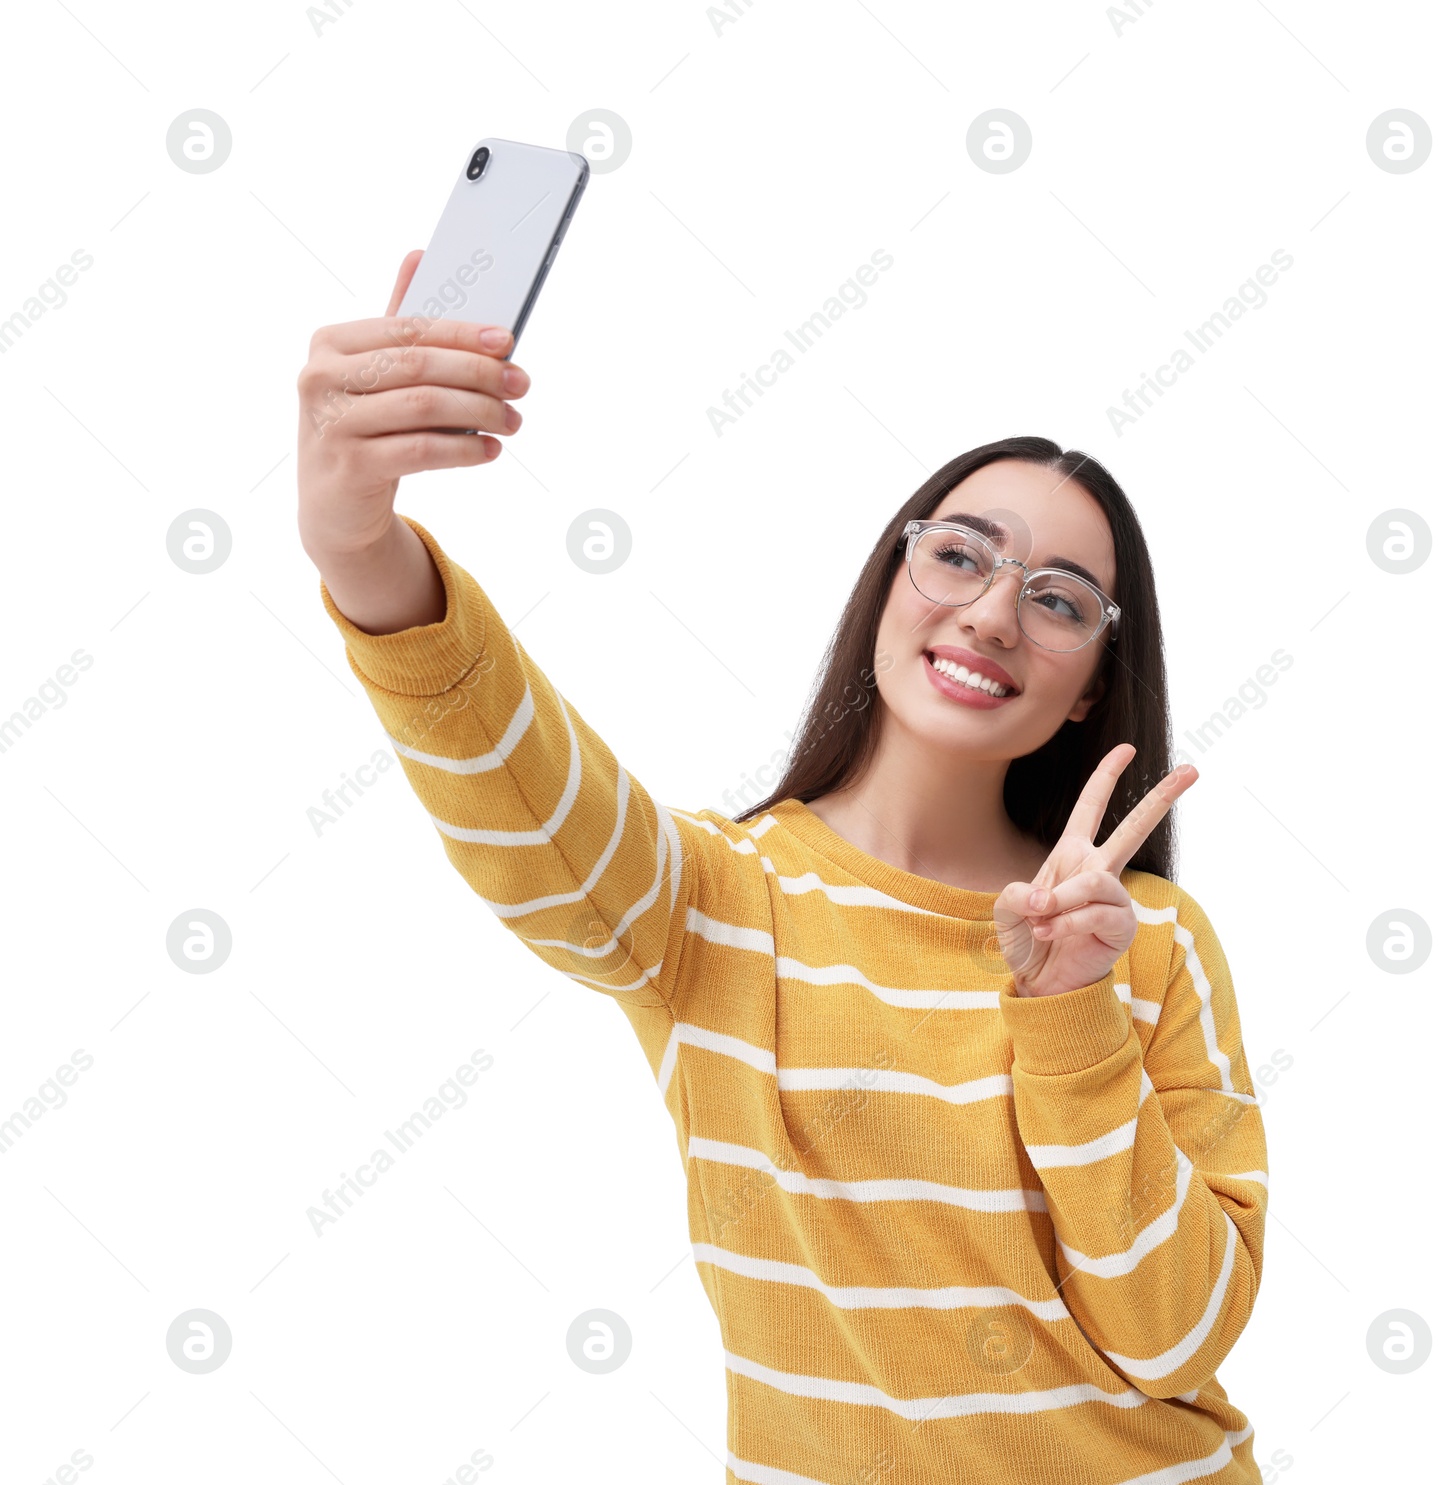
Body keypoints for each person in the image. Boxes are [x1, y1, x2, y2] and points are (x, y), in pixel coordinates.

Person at [295, 252, 1270, 1485]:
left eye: (1060, 600)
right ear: (890, 586)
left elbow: (1178, 1338)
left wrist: (1072, 1015)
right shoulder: (713, 905)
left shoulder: (1148, 941)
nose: (991, 613)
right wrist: (355, 541)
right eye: (961, 555)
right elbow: (516, 784)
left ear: (1088, 691)